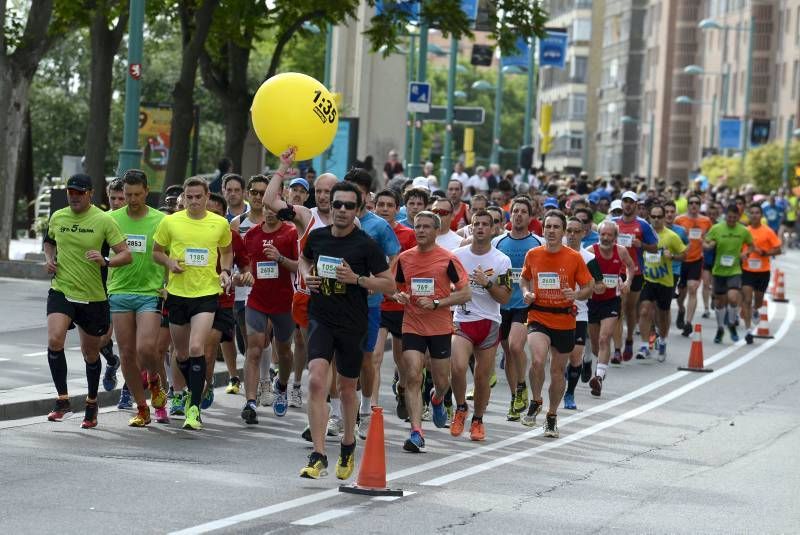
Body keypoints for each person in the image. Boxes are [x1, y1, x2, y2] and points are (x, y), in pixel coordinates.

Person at [298, 181, 394, 480]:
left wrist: (357, 279)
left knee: (347, 388)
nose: (340, 210)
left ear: (358, 208)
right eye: (336, 204)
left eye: (348, 206)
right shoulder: (317, 236)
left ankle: (348, 443)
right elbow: (304, 259)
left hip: (353, 323)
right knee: (315, 380)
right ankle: (318, 454)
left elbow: (389, 284)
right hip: (321, 318)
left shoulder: (366, 245)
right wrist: (306, 276)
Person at [42, 173, 132, 426]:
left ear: (90, 194)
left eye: (79, 192)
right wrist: (49, 259)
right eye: (71, 192)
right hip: (62, 289)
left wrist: (106, 261)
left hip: (93, 296)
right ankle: (62, 400)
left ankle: (92, 403)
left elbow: (126, 254)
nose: (74, 196)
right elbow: (49, 242)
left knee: (90, 353)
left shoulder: (103, 220)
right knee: (54, 338)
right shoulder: (58, 217)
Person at [152, 176, 234, 430]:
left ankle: (194, 408)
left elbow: (227, 252)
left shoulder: (219, 223)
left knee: (197, 347)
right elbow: (156, 251)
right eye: (190, 197)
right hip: (177, 294)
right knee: (182, 354)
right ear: (183, 198)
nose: (195, 201)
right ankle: (198, 387)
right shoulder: (171, 222)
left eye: (199, 197)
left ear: (207, 197)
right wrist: (169, 263)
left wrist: (226, 271)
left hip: (206, 294)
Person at [393, 211, 470, 452]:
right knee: (414, 374)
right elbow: (395, 288)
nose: (421, 230)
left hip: (439, 326)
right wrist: (400, 296)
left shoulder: (448, 259)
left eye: (427, 227)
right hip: (412, 324)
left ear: (436, 231)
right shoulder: (404, 259)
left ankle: (437, 399)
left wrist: (437, 303)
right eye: (418, 226)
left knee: (442, 381)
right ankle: (416, 431)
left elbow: (465, 293)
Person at [519, 210, 593, 437]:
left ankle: (551, 416)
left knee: (558, 370)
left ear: (562, 232)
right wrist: (526, 292)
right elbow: (524, 277)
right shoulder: (533, 254)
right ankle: (536, 399)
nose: (551, 231)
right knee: (538, 360)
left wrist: (576, 295)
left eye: (556, 227)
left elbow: (589, 287)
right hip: (538, 316)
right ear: (542, 230)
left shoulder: (574, 257)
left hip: (564, 319)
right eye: (548, 226)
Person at [107, 169, 170, 426]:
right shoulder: (111, 219)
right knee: (127, 354)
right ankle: (142, 408)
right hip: (120, 291)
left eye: (137, 194)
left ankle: (155, 383)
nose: (132, 199)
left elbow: (168, 252)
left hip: (149, 291)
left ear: (146, 191)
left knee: (147, 348)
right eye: (127, 194)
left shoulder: (160, 220)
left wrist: (168, 283)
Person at [344, 169, 401, 439]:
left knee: (367, 359)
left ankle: (365, 410)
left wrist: (377, 281)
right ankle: (336, 414)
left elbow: (394, 256)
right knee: (337, 358)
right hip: (339, 301)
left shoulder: (379, 226)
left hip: (370, 304)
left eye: (357, 192)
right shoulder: (334, 222)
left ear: (366, 195)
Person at [450, 210, 512, 440]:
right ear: (471, 227)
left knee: (481, 377)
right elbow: (445, 284)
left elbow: (504, 298)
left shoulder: (501, 260)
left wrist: (487, 284)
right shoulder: (457, 256)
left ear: (494, 229)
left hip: (489, 322)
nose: (481, 228)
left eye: (486, 224)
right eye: (477, 224)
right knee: (456, 366)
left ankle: (477, 420)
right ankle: (460, 408)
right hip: (463, 319)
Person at [240, 199, 299, 424]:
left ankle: (282, 387)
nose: (270, 213)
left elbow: (300, 266)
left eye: (275, 209)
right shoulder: (252, 235)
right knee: (254, 349)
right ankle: (250, 402)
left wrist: (280, 258)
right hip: (256, 300)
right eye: (267, 209)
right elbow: (243, 266)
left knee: (284, 351)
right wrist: (241, 277)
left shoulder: (291, 233)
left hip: (284, 302)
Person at [492, 197, 542, 420]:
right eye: (515, 211)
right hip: (502, 304)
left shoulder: (537, 243)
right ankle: (516, 398)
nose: (518, 215)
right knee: (509, 352)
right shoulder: (498, 242)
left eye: (523, 211)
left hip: (525, 303)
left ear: (530, 217)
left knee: (515, 345)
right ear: (509, 215)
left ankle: (522, 385)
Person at [372, 189, 417, 417]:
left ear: (397, 209)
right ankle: (371, 409)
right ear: (374, 206)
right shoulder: (368, 229)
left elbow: (411, 268)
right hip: (377, 302)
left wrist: (399, 291)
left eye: (390, 205)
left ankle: (401, 388)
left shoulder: (408, 235)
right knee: (375, 357)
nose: (385, 209)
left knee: (402, 360)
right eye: (381, 204)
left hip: (399, 303)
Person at [587, 221, 635, 397]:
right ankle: (594, 363)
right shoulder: (590, 252)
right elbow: (580, 274)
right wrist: (592, 285)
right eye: (603, 234)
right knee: (594, 346)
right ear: (599, 235)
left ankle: (598, 377)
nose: (606, 238)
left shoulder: (621, 251)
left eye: (609, 235)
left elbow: (631, 266)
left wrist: (628, 282)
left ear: (615, 237)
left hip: (612, 301)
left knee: (604, 339)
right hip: (592, 302)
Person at [612, 191, 658, 361]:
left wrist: (641, 245)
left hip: (636, 272)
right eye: (625, 201)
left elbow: (655, 247)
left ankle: (629, 339)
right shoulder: (613, 223)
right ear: (621, 204)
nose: (628, 205)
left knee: (631, 309)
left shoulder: (643, 225)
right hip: (618, 271)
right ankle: (617, 349)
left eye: (631, 202)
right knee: (619, 308)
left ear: (636, 205)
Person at [562, 217, 602, 410]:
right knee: (560, 358)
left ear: (583, 233)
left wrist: (596, 287)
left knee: (575, 356)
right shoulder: (555, 253)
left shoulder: (589, 259)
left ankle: (569, 394)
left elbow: (599, 283)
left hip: (579, 312)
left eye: (576, 231)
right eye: (568, 230)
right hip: (556, 312)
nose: (571, 235)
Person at [636, 204, 686, 361]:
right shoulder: (644, 235)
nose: (656, 219)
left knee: (662, 315)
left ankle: (663, 341)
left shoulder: (671, 236)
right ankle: (645, 346)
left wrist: (672, 256)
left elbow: (684, 254)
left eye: (659, 217)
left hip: (665, 281)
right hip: (647, 279)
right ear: (649, 217)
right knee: (644, 311)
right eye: (653, 216)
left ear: (664, 218)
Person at [703, 203, 754, 344]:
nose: (731, 220)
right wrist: (709, 246)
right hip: (718, 270)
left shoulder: (743, 230)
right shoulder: (717, 228)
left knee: (732, 298)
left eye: (734, 217)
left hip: (734, 270)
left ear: (738, 216)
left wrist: (745, 253)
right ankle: (720, 328)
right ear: (725, 216)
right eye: (729, 217)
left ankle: (731, 324)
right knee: (719, 302)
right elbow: (705, 243)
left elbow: (751, 245)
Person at [741, 203, 782, 344]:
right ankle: (748, 331)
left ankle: (755, 309)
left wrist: (765, 252)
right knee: (746, 299)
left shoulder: (768, 231)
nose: (754, 215)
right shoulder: (745, 231)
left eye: (757, 212)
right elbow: (739, 249)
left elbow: (778, 249)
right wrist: (743, 255)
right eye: (751, 212)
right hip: (747, 271)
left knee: (758, 300)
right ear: (749, 215)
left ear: (761, 215)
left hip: (763, 272)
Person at [674, 194, 713, 337]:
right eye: (691, 202)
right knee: (680, 293)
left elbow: (709, 242)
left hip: (696, 260)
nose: (694, 205)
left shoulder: (706, 221)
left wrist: (704, 242)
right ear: (688, 204)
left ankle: (688, 323)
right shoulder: (679, 220)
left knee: (692, 288)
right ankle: (681, 309)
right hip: (681, 260)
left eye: (697, 202)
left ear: (700, 204)